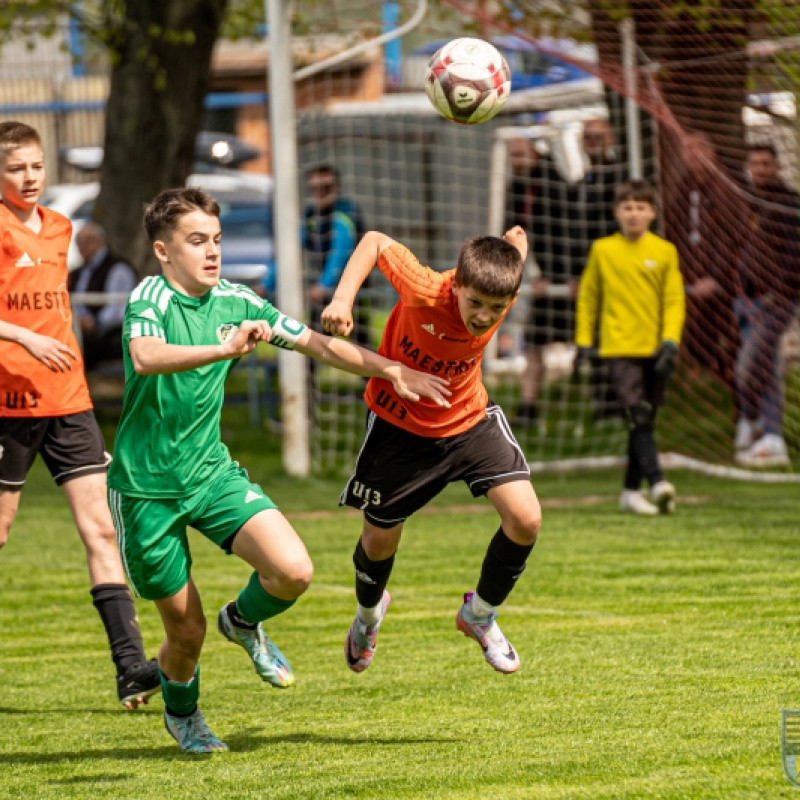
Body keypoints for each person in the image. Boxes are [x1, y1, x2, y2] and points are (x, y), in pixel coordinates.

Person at [107, 186, 451, 754]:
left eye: (216, 239)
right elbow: (146, 355)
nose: (212, 251)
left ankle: (242, 622)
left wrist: (390, 369)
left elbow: (318, 344)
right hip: (146, 492)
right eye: (197, 241)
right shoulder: (151, 296)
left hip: (210, 474)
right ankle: (184, 713)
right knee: (184, 634)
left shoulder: (237, 300)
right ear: (165, 251)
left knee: (293, 571)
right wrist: (224, 350)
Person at [321, 224, 541, 677]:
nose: (483, 316)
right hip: (399, 426)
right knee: (379, 543)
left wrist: (514, 242)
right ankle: (368, 615)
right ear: (457, 284)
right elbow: (376, 241)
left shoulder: (503, 290)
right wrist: (342, 300)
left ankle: (479, 614)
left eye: (496, 308)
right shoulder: (425, 287)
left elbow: (513, 250)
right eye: (474, 302)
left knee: (526, 519)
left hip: (467, 418)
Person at [0, 120, 159, 709]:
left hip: (68, 402)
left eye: (36, 165)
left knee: (101, 529)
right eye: (17, 168)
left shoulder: (61, 227)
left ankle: (130, 670)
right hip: (8, 405)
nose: (30, 177)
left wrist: (53, 347)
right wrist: (23, 338)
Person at [574, 180, 685, 516]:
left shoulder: (665, 251)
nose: (633, 213)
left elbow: (674, 300)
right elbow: (588, 297)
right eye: (627, 207)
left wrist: (670, 342)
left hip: (656, 349)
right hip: (617, 349)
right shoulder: (603, 250)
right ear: (616, 213)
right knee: (637, 415)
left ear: (651, 212)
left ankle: (630, 493)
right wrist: (582, 343)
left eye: (640, 207)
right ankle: (658, 481)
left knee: (645, 420)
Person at [733, 143, 800, 466]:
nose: (759, 169)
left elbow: (793, 257)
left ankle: (757, 422)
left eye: (765, 164)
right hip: (747, 300)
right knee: (765, 368)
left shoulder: (789, 205)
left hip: (777, 302)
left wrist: (776, 293)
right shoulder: (750, 203)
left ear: (777, 167)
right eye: (754, 164)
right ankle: (769, 434)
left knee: (748, 366)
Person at [504, 136, 568, 424]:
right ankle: (528, 407)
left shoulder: (554, 184)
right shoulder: (516, 188)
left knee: (592, 342)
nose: (516, 161)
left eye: (520, 154)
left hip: (571, 275)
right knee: (533, 343)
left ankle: (610, 405)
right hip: (546, 279)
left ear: (535, 154)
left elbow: (566, 234)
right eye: (513, 156)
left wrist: (562, 276)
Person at [302, 163, 371, 348]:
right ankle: (306, 377)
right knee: (314, 341)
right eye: (315, 188)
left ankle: (374, 377)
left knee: (360, 343)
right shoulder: (310, 214)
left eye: (326, 188)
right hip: (324, 291)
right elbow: (294, 247)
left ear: (336, 188)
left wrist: (324, 285)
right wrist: (268, 283)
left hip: (354, 289)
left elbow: (341, 251)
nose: (320, 192)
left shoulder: (345, 212)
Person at [69, 221, 138, 368]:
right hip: (77, 331)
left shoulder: (118, 269)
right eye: (78, 242)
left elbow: (119, 307)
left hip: (109, 335)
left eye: (88, 240)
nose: (83, 246)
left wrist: (94, 322)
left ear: (102, 241)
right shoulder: (76, 273)